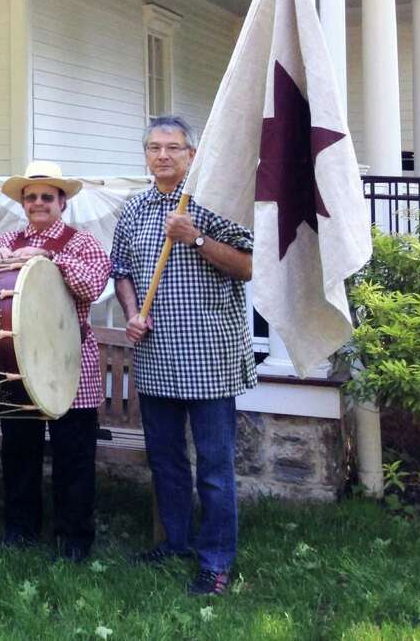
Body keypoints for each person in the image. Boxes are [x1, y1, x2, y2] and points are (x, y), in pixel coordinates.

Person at [111, 115, 254, 597]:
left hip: (210, 357)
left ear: (191, 156)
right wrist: (132, 313)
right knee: (167, 462)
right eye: (154, 147)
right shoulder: (134, 210)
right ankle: (175, 542)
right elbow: (122, 270)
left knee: (214, 469)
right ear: (146, 155)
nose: (163, 155)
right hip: (155, 357)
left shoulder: (212, 203)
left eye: (173, 148)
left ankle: (216, 563)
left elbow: (249, 266)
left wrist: (194, 236)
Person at [0, 161, 111, 561]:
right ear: (22, 203)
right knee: (19, 450)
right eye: (31, 197)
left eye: (46, 197)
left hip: (70, 362)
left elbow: (92, 284)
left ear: (62, 202)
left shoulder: (81, 242)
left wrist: (48, 259)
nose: (38, 203)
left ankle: (74, 538)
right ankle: (20, 529)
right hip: (16, 362)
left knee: (73, 454)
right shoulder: (5, 240)